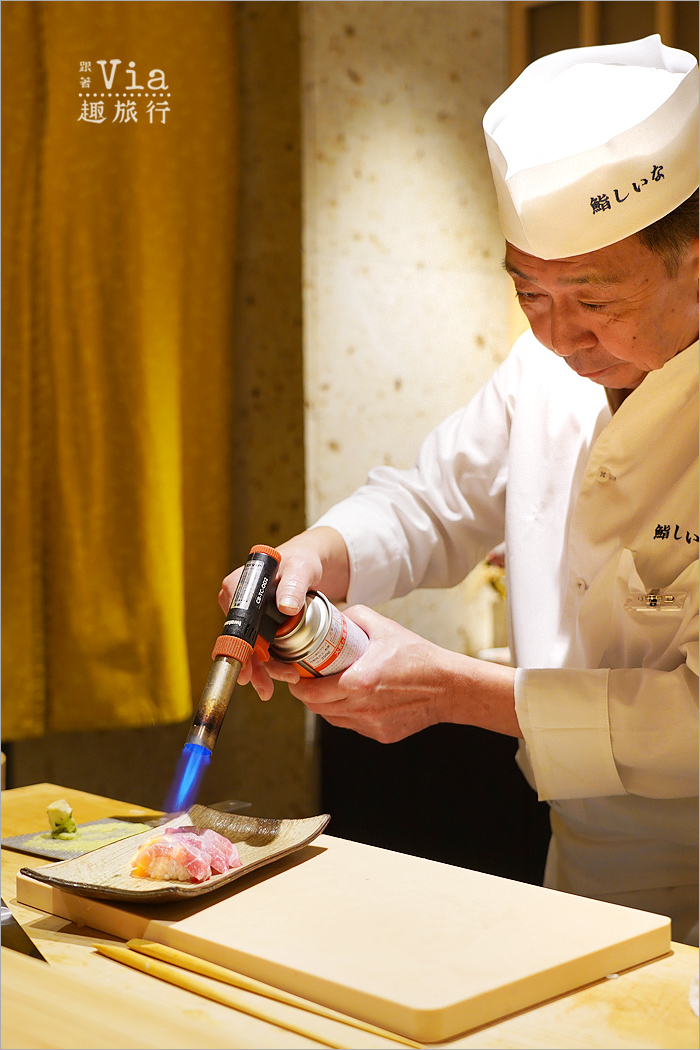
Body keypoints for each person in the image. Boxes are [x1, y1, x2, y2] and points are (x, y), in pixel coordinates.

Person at [221, 37, 699, 944]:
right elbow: (433, 500)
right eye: (531, 293)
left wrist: (452, 690)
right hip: (582, 870)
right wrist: (317, 555)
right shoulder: (548, 368)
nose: (559, 336)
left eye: (594, 301)